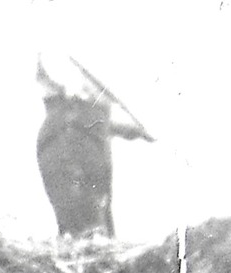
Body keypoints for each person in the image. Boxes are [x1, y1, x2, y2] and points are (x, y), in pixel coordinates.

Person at [35, 55, 151, 239]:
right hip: (77, 167)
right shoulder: (76, 115)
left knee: (90, 214)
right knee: (86, 214)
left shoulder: (86, 114)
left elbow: (101, 126)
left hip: (82, 163)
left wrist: (138, 132)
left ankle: (89, 238)